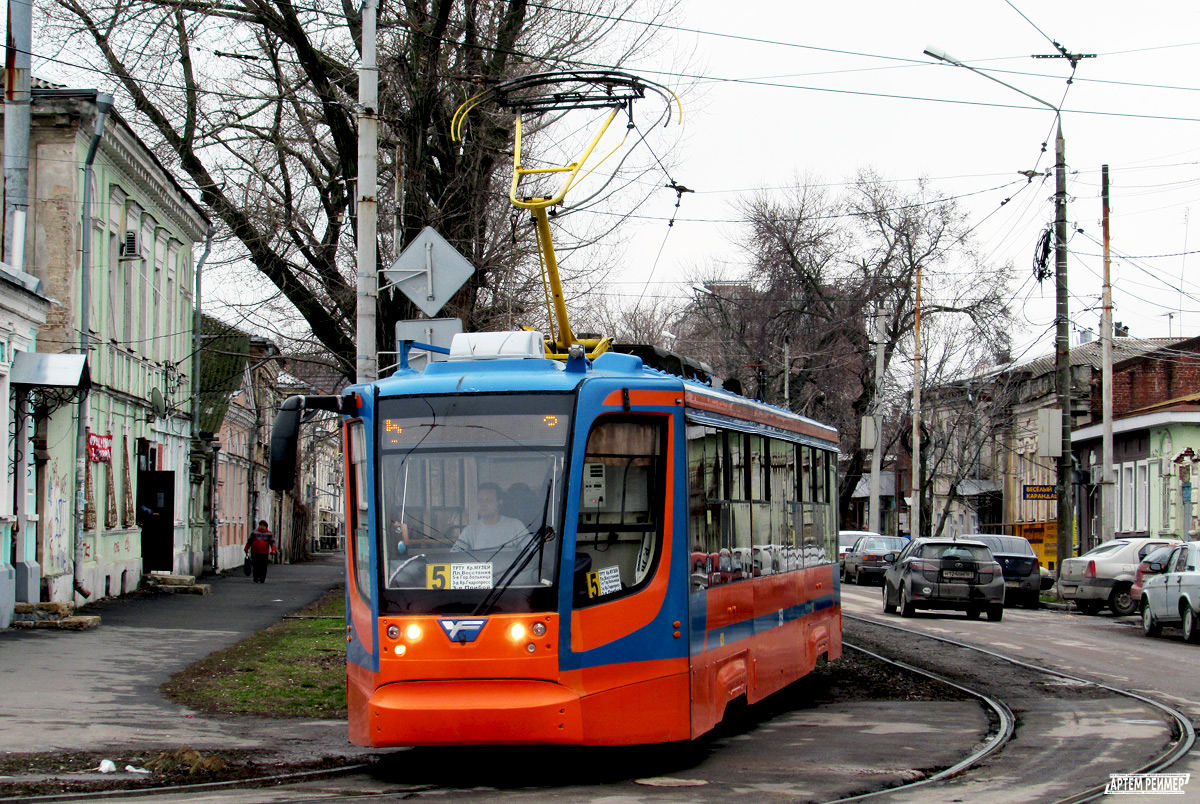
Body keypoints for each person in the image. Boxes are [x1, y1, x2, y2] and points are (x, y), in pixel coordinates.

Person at [453, 483, 528, 553]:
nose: (483, 504)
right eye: (480, 500)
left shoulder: (515, 526)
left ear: (499, 502)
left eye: (489, 500)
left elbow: (532, 554)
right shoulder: (469, 531)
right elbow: (455, 557)